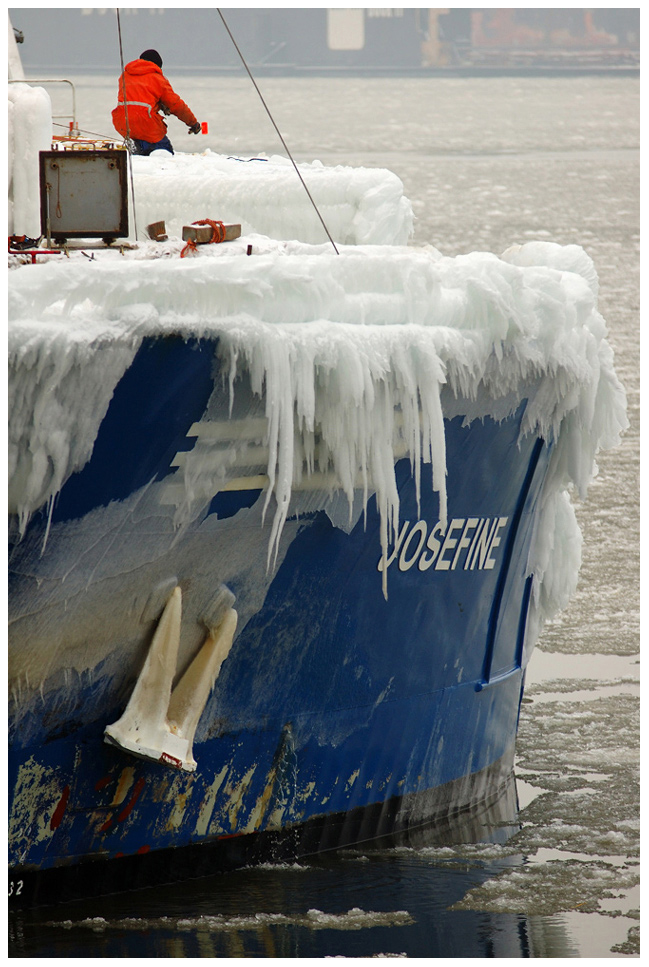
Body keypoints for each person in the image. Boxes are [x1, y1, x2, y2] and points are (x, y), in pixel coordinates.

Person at [112, 49, 201, 155]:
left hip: (123, 121)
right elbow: (176, 105)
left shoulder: (125, 76)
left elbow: (138, 97)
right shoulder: (158, 79)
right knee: (165, 153)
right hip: (146, 123)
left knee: (140, 149)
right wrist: (193, 123)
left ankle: (137, 147)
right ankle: (144, 149)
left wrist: (159, 104)